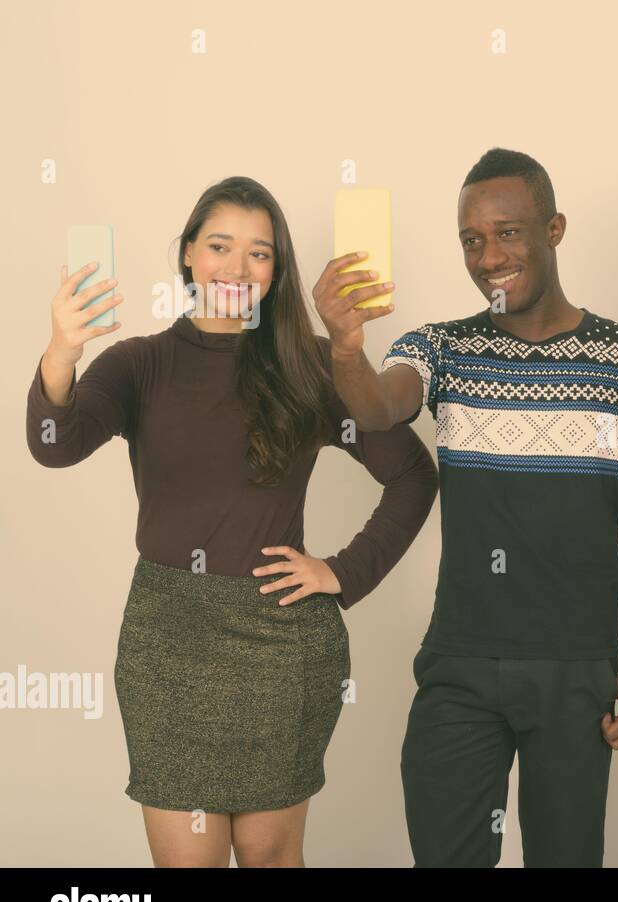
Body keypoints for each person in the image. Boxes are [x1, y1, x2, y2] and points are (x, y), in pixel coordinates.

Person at [26, 176, 438, 867]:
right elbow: (52, 443)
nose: (237, 269)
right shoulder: (140, 363)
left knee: (269, 855)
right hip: (167, 643)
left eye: (260, 254)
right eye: (220, 246)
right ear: (188, 253)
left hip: (281, 646)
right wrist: (62, 351)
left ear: (278, 272)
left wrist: (342, 571)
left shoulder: (308, 362)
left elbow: (413, 475)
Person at [316, 148, 618, 867]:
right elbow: (380, 405)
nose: (489, 256)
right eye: (471, 240)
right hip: (460, 668)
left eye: (508, 232)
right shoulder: (441, 348)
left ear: (554, 229)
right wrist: (345, 348)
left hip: (578, 669)